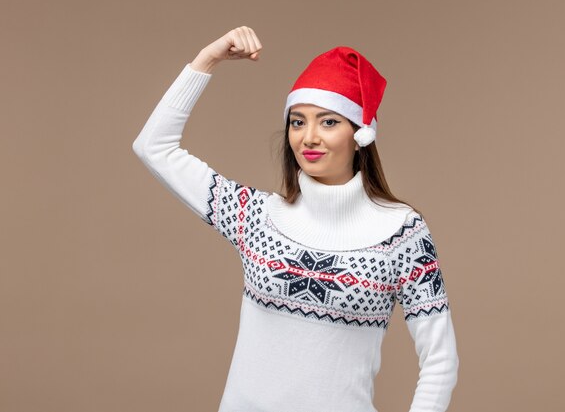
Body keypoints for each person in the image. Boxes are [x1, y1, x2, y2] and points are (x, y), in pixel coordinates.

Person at [132, 26, 459, 412]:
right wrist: (207, 59)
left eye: (329, 122)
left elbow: (440, 361)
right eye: (298, 121)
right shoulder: (256, 216)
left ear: (361, 134)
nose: (309, 137)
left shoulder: (403, 234)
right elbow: (153, 147)